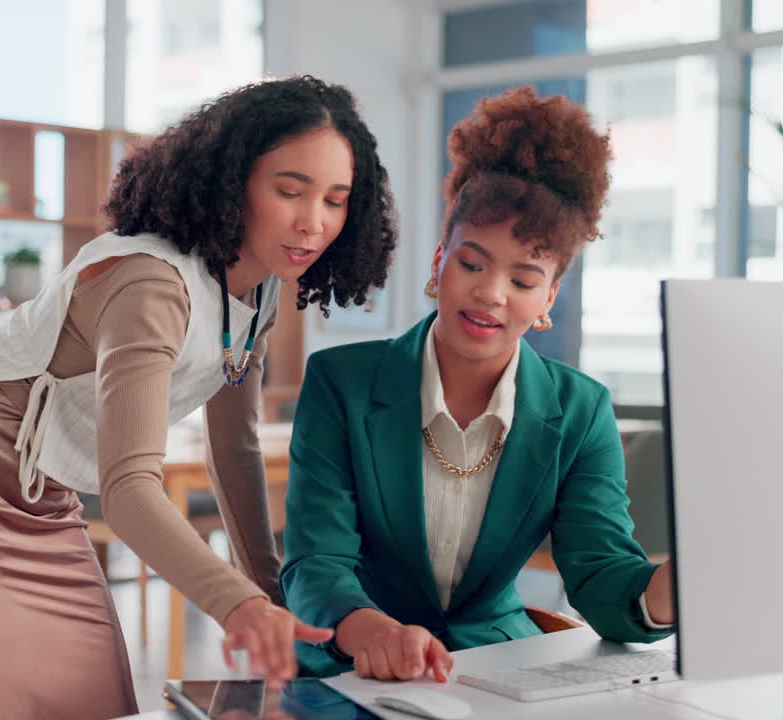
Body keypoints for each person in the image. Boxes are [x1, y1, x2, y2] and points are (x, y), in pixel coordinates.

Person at [0, 75, 397, 719]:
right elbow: (130, 488)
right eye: (290, 190)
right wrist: (237, 604)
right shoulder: (152, 283)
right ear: (234, 182)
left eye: (336, 201)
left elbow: (234, 446)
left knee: (91, 697)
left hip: (42, 494)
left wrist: (266, 591)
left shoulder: (261, 294)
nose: (313, 222)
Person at [280, 86, 675, 682]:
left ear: (549, 297)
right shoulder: (343, 382)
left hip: (497, 668)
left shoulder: (580, 410)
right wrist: (375, 631)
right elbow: (316, 562)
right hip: (353, 663)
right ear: (439, 262)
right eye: (472, 263)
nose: (491, 294)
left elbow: (600, 572)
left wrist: (674, 586)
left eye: (523, 279)